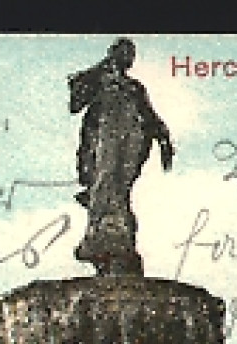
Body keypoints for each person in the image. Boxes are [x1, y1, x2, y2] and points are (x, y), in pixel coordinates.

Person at [67, 37, 174, 275]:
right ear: (113, 53)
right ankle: (101, 231)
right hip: (105, 135)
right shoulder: (99, 80)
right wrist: (99, 70)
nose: (128, 59)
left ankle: (114, 228)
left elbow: (149, 115)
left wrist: (164, 140)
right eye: (124, 53)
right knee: (106, 178)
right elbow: (75, 103)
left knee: (120, 185)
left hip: (131, 139)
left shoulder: (134, 88)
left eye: (131, 55)